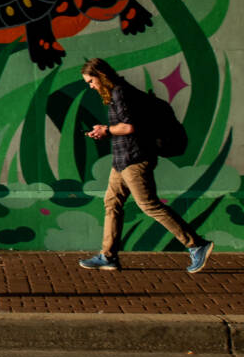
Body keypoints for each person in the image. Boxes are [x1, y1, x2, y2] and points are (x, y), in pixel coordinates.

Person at [78, 57, 213, 273]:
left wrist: (107, 131)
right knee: (112, 203)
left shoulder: (121, 92)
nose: (90, 86)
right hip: (121, 161)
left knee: (149, 205)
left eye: (91, 81)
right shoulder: (116, 94)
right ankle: (108, 256)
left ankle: (196, 245)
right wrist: (105, 129)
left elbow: (129, 127)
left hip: (135, 159)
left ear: (101, 76)